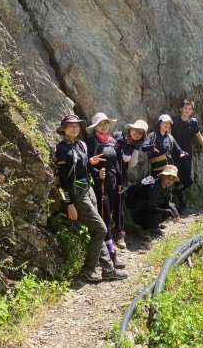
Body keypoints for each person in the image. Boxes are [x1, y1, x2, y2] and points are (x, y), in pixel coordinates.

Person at [54, 114, 127, 283]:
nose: (74, 128)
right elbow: (63, 177)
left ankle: (108, 269)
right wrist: (69, 203)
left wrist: (94, 169)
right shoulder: (62, 149)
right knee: (101, 228)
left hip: (88, 189)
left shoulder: (80, 145)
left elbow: (84, 168)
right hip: (76, 192)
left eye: (77, 125)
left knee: (98, 229)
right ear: (64, 129)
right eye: (70, 125)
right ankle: (88, 269)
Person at [85, 112, 125, 268]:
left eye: (106, 123)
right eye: (100, 124)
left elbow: (117, 164)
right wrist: (96, 173)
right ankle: (110, 255)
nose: (104, 126)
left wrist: (120, 182)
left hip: (113, 184)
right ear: (95, 127)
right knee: (105, 219)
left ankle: (107, 253)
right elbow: (86, 164)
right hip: (99, 185)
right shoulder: (91, 142)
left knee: (110, 216)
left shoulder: (113, 141)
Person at [111, 119, 149, 249]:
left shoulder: (134, 145)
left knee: (119, 203)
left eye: (140, 133)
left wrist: (136, 149)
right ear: (130, 129)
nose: (137, 134)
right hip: (109, 174)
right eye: (135, 130)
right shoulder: (117, 136)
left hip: (121, 177)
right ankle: (107, 234)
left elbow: (132, 164)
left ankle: (120, 232)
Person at [171, 99, 203, 213]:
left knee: (189, 180)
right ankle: (182, 204)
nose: (187, 111)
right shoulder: (174, 121)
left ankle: (174, 193)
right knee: (176, 179)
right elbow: (168, 136)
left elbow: (199, 137)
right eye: (185, 108)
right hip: (175, 155)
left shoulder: (193, 122)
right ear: (181, 109)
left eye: (190, 109)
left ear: (192, 110)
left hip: (187, 155)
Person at [130, 164, 180, 231]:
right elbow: (151, 208)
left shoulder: (166, 186)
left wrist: (175, 213)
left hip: (149, 210)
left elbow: (167, 202)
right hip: (139, 214)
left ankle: (154, 226)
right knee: (159, 215)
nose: (170, 180)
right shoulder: (154, 187)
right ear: (162, 176)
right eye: (168, 176)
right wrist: (169, 211)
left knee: (172, 206)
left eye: (173, 178)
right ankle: (147, 228)